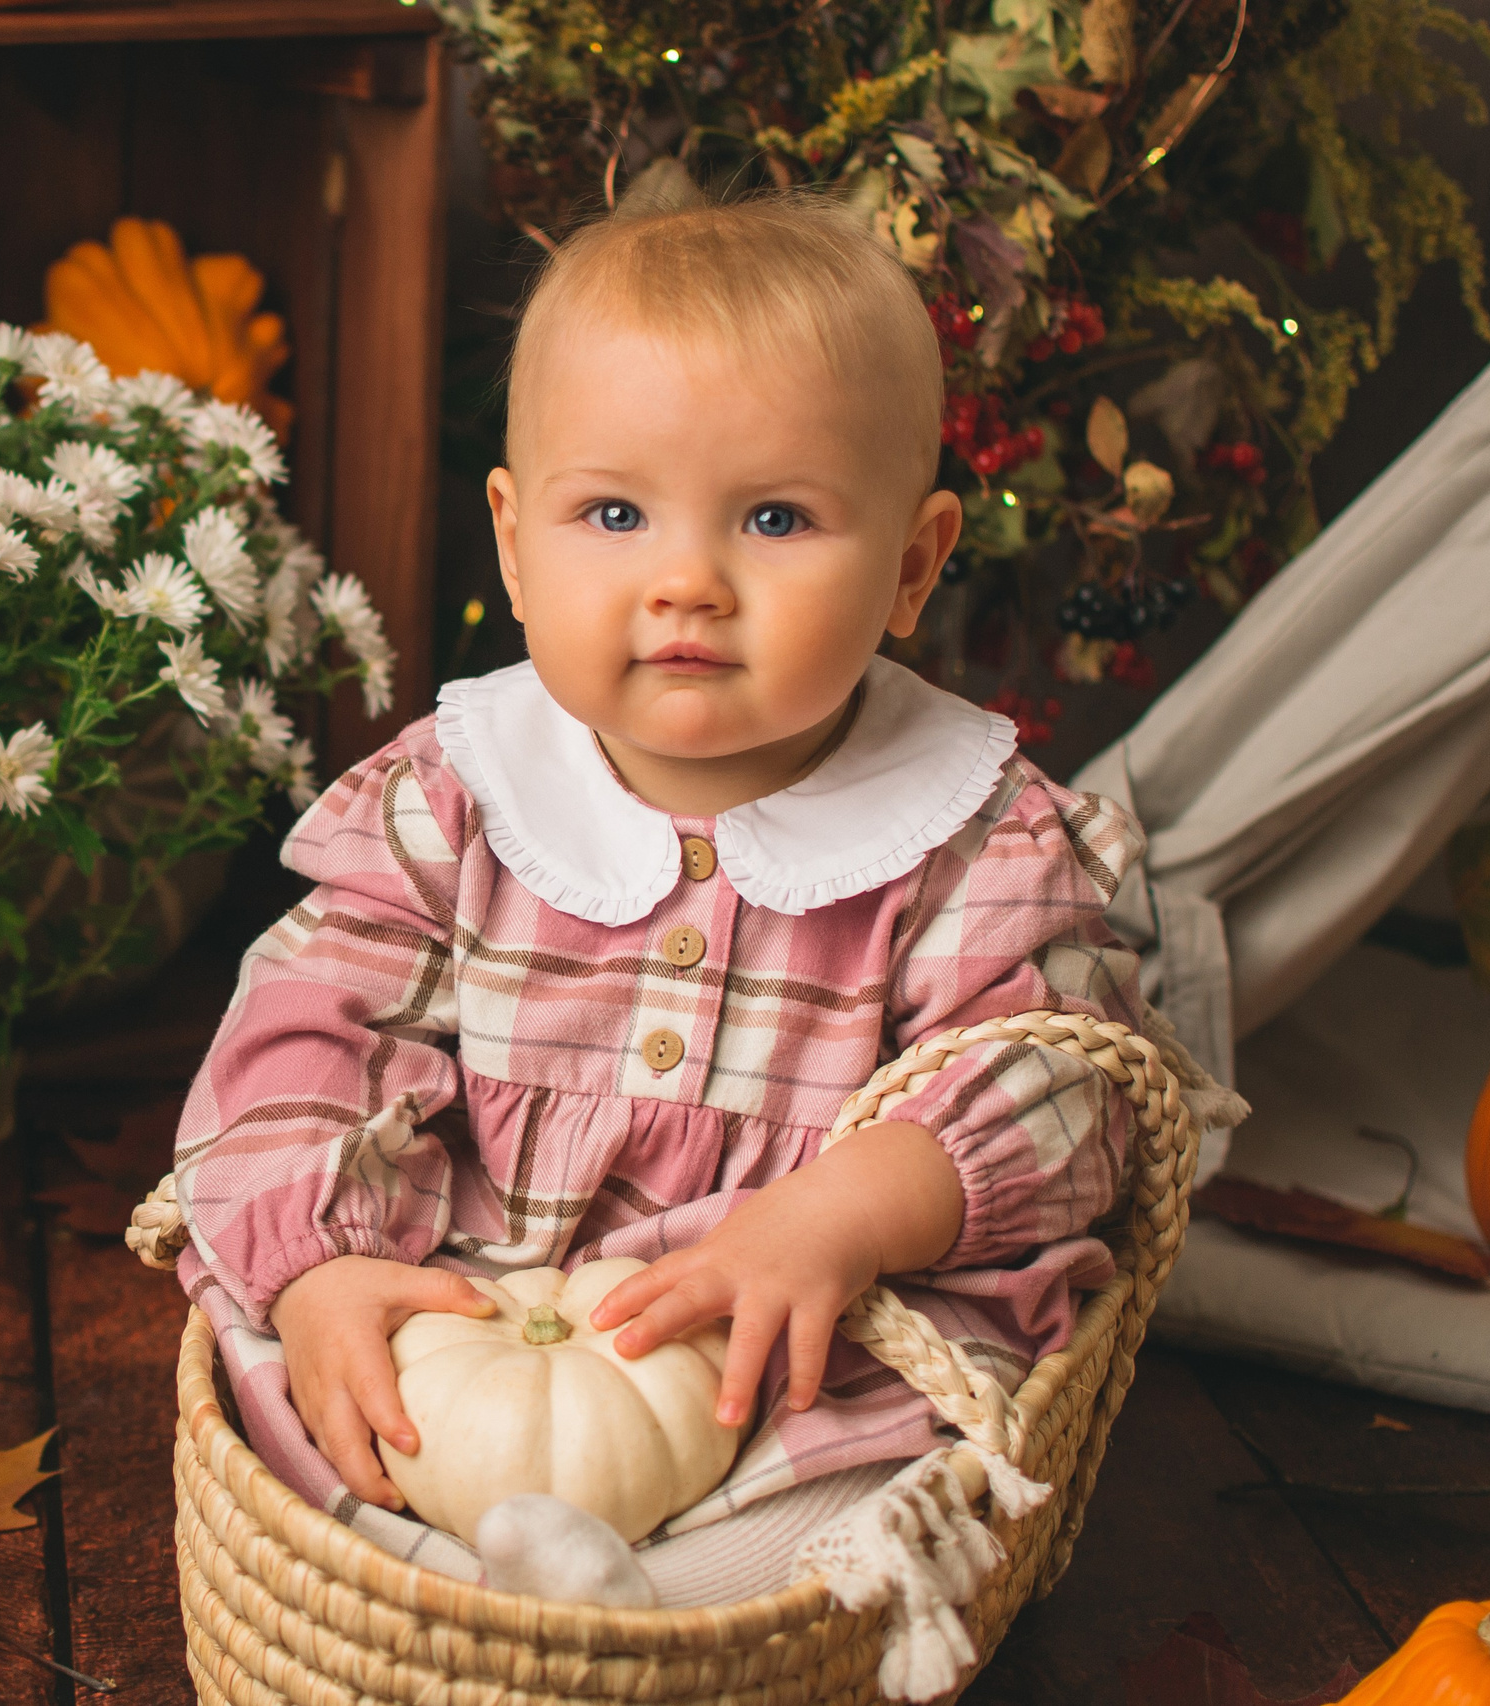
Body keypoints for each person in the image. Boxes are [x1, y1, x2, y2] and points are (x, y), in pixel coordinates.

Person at [166, 183, 1146, 1580]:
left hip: (799, 1353)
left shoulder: (964, 832)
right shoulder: (461, 796)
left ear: (915, 564)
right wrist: (322, 1267)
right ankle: (435, 1563)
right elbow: (304, 1033)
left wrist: (844, 1213)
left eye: (777, 519)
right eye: (615, 511)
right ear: (513, 540)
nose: (686, 580)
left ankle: (677, 1600)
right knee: (301, 1393)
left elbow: (1064, 1090)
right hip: (472, 1316)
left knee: (884, 1500)